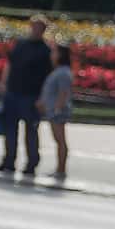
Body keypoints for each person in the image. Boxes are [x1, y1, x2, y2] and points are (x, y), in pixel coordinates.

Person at [0, 17, 51, 174]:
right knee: (10, 129)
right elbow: (10, 63)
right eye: (33, 26)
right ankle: (9, 161)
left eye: (38, 27)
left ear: (43, 30)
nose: (34, 30)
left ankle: (31, 164)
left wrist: (42, 98)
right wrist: (4, 83)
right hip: (13, 92)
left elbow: (48, 77)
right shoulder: (21, 44)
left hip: (31, 95)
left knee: (31, 132)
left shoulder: (45, 50)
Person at [37, 44, 74, 179]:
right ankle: (59, 169)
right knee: (58, 141)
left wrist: (57, 108)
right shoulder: (59, 70)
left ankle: (61, 170)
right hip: (53, 110)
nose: (51, 55)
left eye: (54, 52)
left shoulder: (63, 72)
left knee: (60, 141)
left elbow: (64, 92)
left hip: (57, 112)